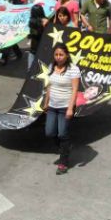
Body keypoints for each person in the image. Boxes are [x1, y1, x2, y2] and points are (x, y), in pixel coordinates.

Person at [42, 43, 81, 174]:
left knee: (62, 133)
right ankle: (66, 147)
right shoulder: (52, 66)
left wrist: (70, 108)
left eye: (61, 54)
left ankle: (63, 163)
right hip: (52, 106)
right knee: (49, 132)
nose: (58, 57)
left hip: (65, 106)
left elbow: (75, 89)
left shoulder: (73, 69)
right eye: (56, 54)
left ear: (67, 55)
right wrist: (46, 102)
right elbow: (49, 86)